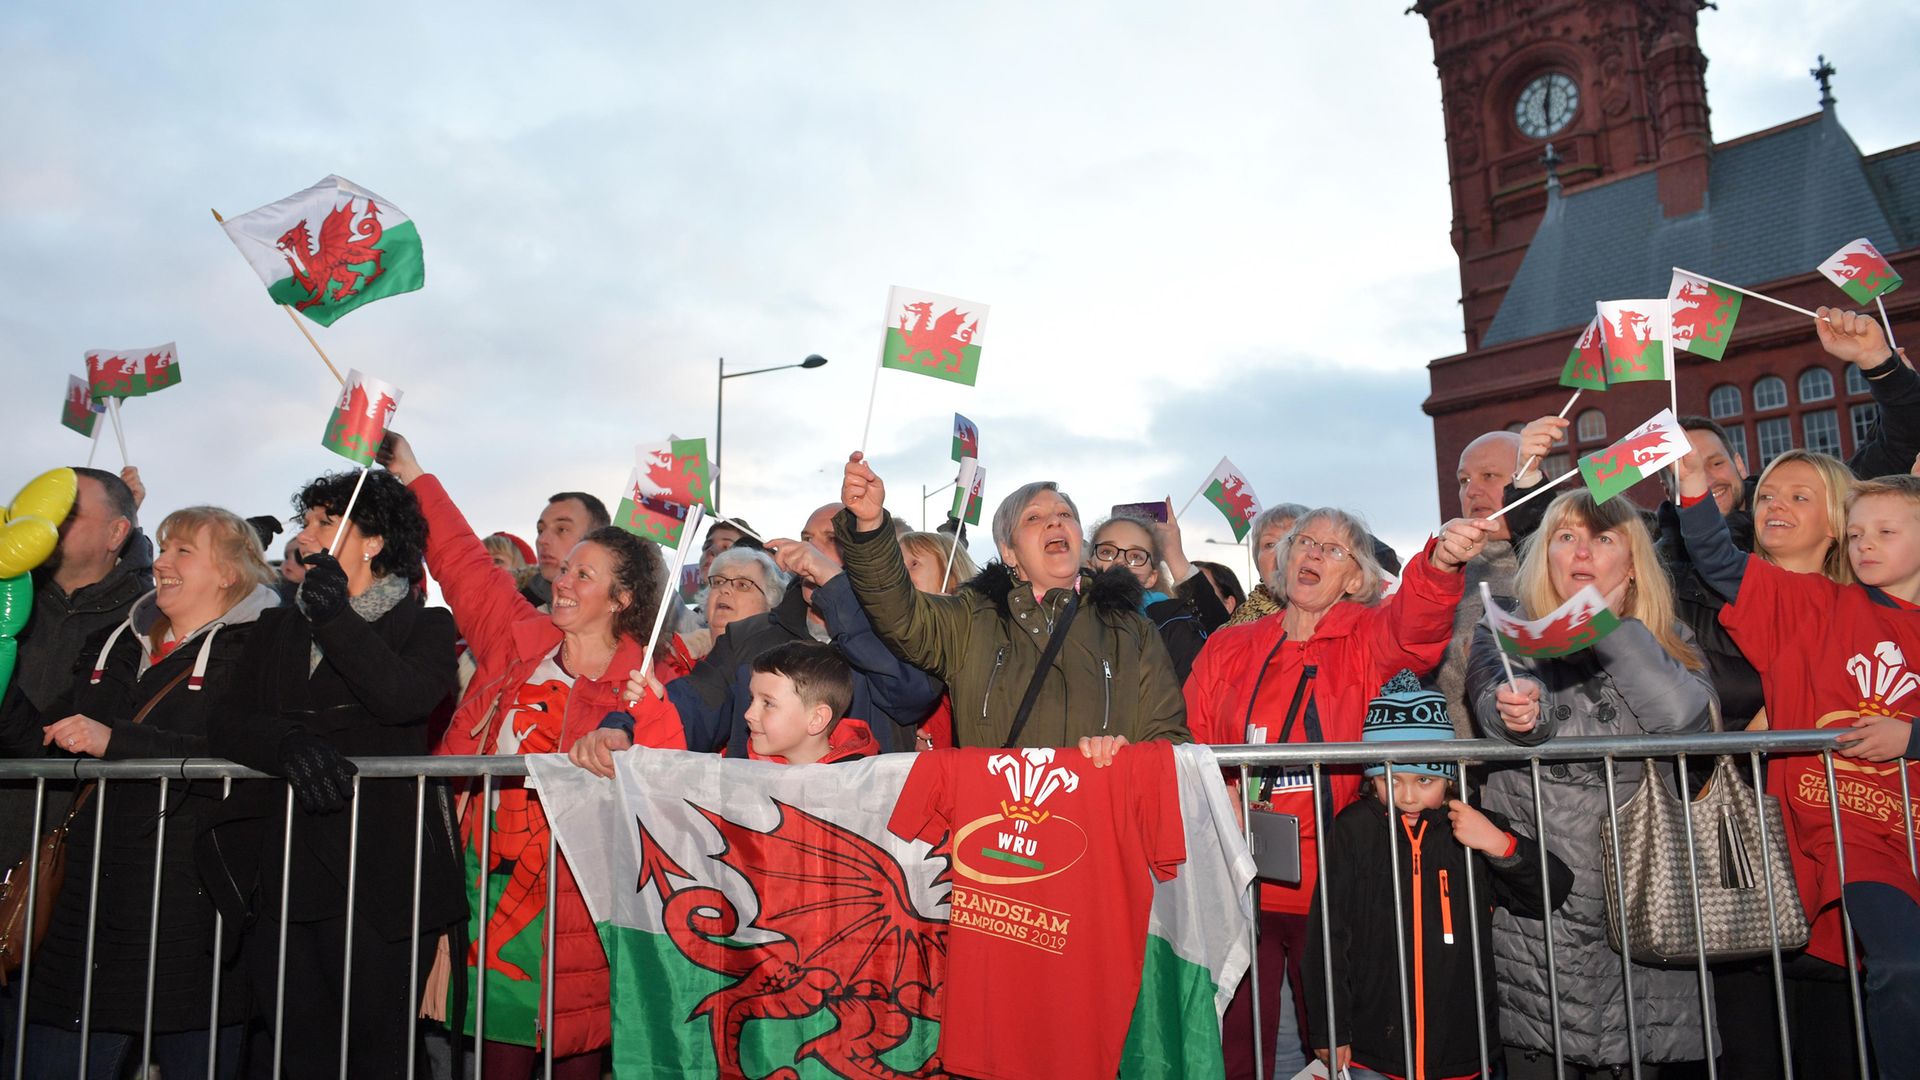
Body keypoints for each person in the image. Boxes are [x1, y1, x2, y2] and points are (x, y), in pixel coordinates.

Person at [378, 433, 681, 1080]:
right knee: (498, 1050)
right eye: (564, 567)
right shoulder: (518, 638)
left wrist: (645, 717)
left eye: (583, 574)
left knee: (580, 1046)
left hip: (584, 893)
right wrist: (413, 474)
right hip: (488, 879)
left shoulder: (647, 683)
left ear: (623, 600)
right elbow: (461, 561)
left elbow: (672, 783)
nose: (563, 582)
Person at [1185, 506, 1490, 1079]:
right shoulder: (1230, 647)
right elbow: (1191, 737)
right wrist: (1214, 788)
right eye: (1305, 542)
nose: (1312, 554)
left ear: (1356, 578)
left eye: (1333, 549)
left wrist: (1443, 561)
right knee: (1240, 1048)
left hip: (1335, 884)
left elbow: (1416, 628)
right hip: (1238, 881)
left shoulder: (1366, 638)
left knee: (1336, 1048)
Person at [199, 470, 468, 1079]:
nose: (306, 534)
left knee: (380, 1056)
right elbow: (228, 721)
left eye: (326, 520)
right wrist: (286, 743)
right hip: (285, 871)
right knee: (301, 1054)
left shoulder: (426, 624)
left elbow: (403, 699)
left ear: (371, 541)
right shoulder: (276, 626)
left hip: (380, 875)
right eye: (308, 520)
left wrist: (336, 619)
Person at [1676, 462, 1920, 1080]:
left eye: (1886, 533)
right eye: (1858, 532)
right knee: (1902, 966)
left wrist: (1911, 736)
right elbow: (1720, 562)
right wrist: (1691, 488)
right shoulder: (1815, 603)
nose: (1866, 543)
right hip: (1853, 833)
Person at [1467, 489, 1716, 1077]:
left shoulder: (1669, 634)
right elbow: (1492, 708)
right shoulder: (1506, 628)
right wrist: (1518, 711)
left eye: (1603, 538)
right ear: (1544, 554)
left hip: (1648, 895)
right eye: (1566, 536)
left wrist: (1606, 625)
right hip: (1545, 900)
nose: (1582, 551)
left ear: (1632, 562)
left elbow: (1684, 722)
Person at [24, 507, 278, 1079]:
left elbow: (241, 748)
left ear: (229, 574)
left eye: (182, 550)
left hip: (194, 908)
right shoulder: (112, 642)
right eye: (162, 548)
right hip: (90, 902)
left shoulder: (264, 647)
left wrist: (116, 741)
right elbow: (49, 736)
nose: (160, 562)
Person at [1305, 672, 1572, 1080]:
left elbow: (1552, 891)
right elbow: (1328, 935)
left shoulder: (1470, 826)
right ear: (1371, 777)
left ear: (1449, 776)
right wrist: (1330, 1026)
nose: (1407, 795)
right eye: (1389, 780)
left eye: (1423, 780)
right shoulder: (1352, 829)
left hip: (1460, 1045)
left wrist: (1500, 845)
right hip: (1372, 1047)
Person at [833, 453, 1191, 755]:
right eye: (1034, 517)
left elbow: (1170, 739)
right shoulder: (971, 620)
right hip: (999, 827)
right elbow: (899, 614)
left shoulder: (1132, 630)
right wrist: (870, 527)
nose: (1055, 520)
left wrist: (1125, 755)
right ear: (1008, 551)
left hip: (1096, 821)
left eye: (1065, 515)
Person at [573, 502, 943, 761]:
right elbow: (694, 703)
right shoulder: (750, 636)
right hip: (763, 847)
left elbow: (910, 693)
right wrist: (623, 729)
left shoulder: (901, 634)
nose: (810, 548)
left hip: (862, 846)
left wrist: (835, 585)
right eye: (806, 537)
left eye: (831, 539)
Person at [1437, 428, 1528, 734]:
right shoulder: (1439, 571)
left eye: (1488, 476)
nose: (1472, 491)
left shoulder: (1559, 564)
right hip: (1456, 772)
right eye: (1464, 481)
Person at [1088, 504, 1233, 682]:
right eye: (1107, 552)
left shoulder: (1171, 625)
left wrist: (1175, 555)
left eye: (1136, 556)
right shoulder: (1064, 616)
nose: (1120, 560)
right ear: (1089, 564)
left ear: (1152, 577)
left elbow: (1225, 645)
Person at [897, 531, 975, 749]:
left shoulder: (975, 637)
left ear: (952, 577)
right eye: (896, 568)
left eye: (913, 564)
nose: (899, 576)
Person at [742, 641, 876, 764]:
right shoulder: (739, 774)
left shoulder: (862, 786)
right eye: (751, 699)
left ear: (816, 719)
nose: (748, 714)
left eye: (768, 703)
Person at [522, 491, 611, 610]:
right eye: (540, 530)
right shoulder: (516, 610)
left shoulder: (631, 617)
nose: (542, 540)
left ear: (597, 538)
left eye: (562, 529)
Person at [1228, 503, 1310, 626]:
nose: (1280, 551)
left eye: (1291, 541)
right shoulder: (1227, 635)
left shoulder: (1344, 624)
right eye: (1270, 544)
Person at [702, 545, 784, 638]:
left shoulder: (791, 652)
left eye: (742, 585)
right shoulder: (684, 650)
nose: (724, 589)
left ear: (770, 606)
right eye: (718, 582)